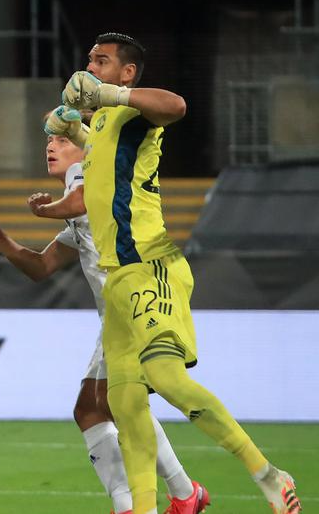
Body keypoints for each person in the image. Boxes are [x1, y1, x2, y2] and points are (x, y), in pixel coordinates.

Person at [48, 32, 300, 514]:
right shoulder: (103, 126)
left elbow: (177, 105)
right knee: (124, 405)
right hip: (117, 279)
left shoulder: (135, 110)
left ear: (127, 74)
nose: (91, 67)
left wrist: (106, 96)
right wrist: (66, 126)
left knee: (165, 378)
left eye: (102, 61)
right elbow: (94, 160)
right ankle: (144, 508)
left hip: (150, 266)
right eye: (89, 60)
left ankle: (266, 472)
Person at [0, 132, 209, 514]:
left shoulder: (91, 181)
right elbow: (42, 266)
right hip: (119, 316)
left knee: (113, 406)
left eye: (61, 139)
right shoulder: (82, 212)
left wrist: (45, 208)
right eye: (47, 139)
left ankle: (162, 498)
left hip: (139, 308)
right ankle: (175, 494)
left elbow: (77, 197)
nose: (51, 145)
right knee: (93, 410)